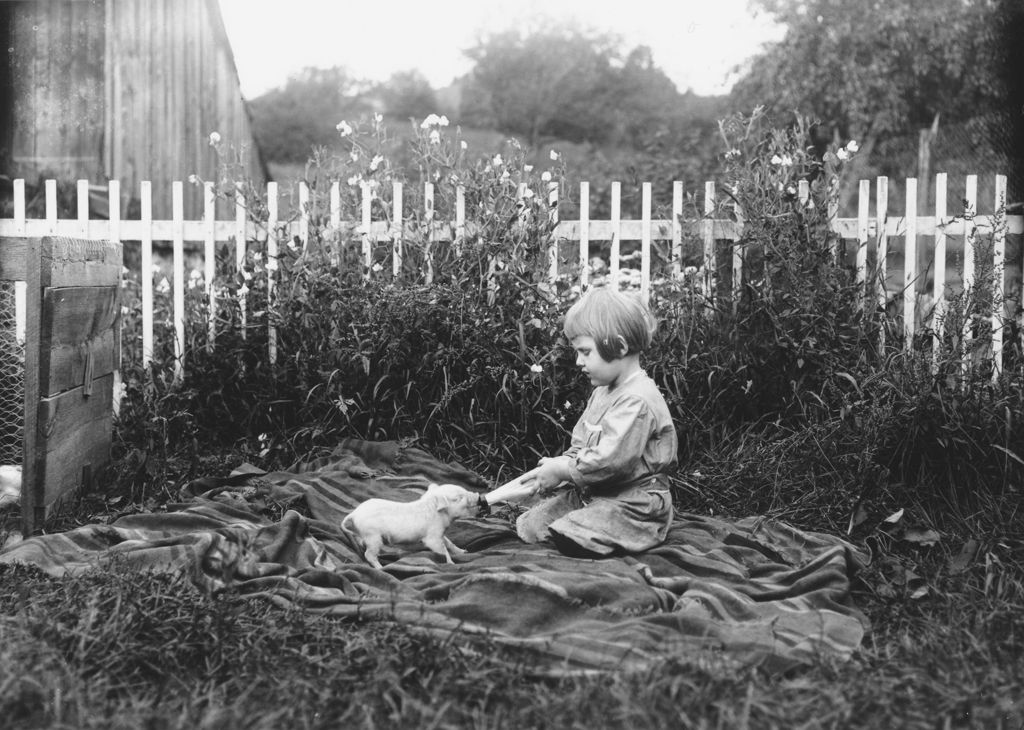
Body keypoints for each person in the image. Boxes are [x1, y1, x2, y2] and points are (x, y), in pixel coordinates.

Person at [509, 285, 678, 557]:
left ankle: (592, 533)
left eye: (585, 352)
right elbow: (581, 443)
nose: (578, 361)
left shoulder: (637, 400)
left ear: (619, 347)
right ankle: (575, 526)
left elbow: (611, 462)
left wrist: (565, 470)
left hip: (635, 502)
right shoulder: (602, 392)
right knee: (532, 524)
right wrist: (560, 468)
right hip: (598, 491)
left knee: (579, 528)